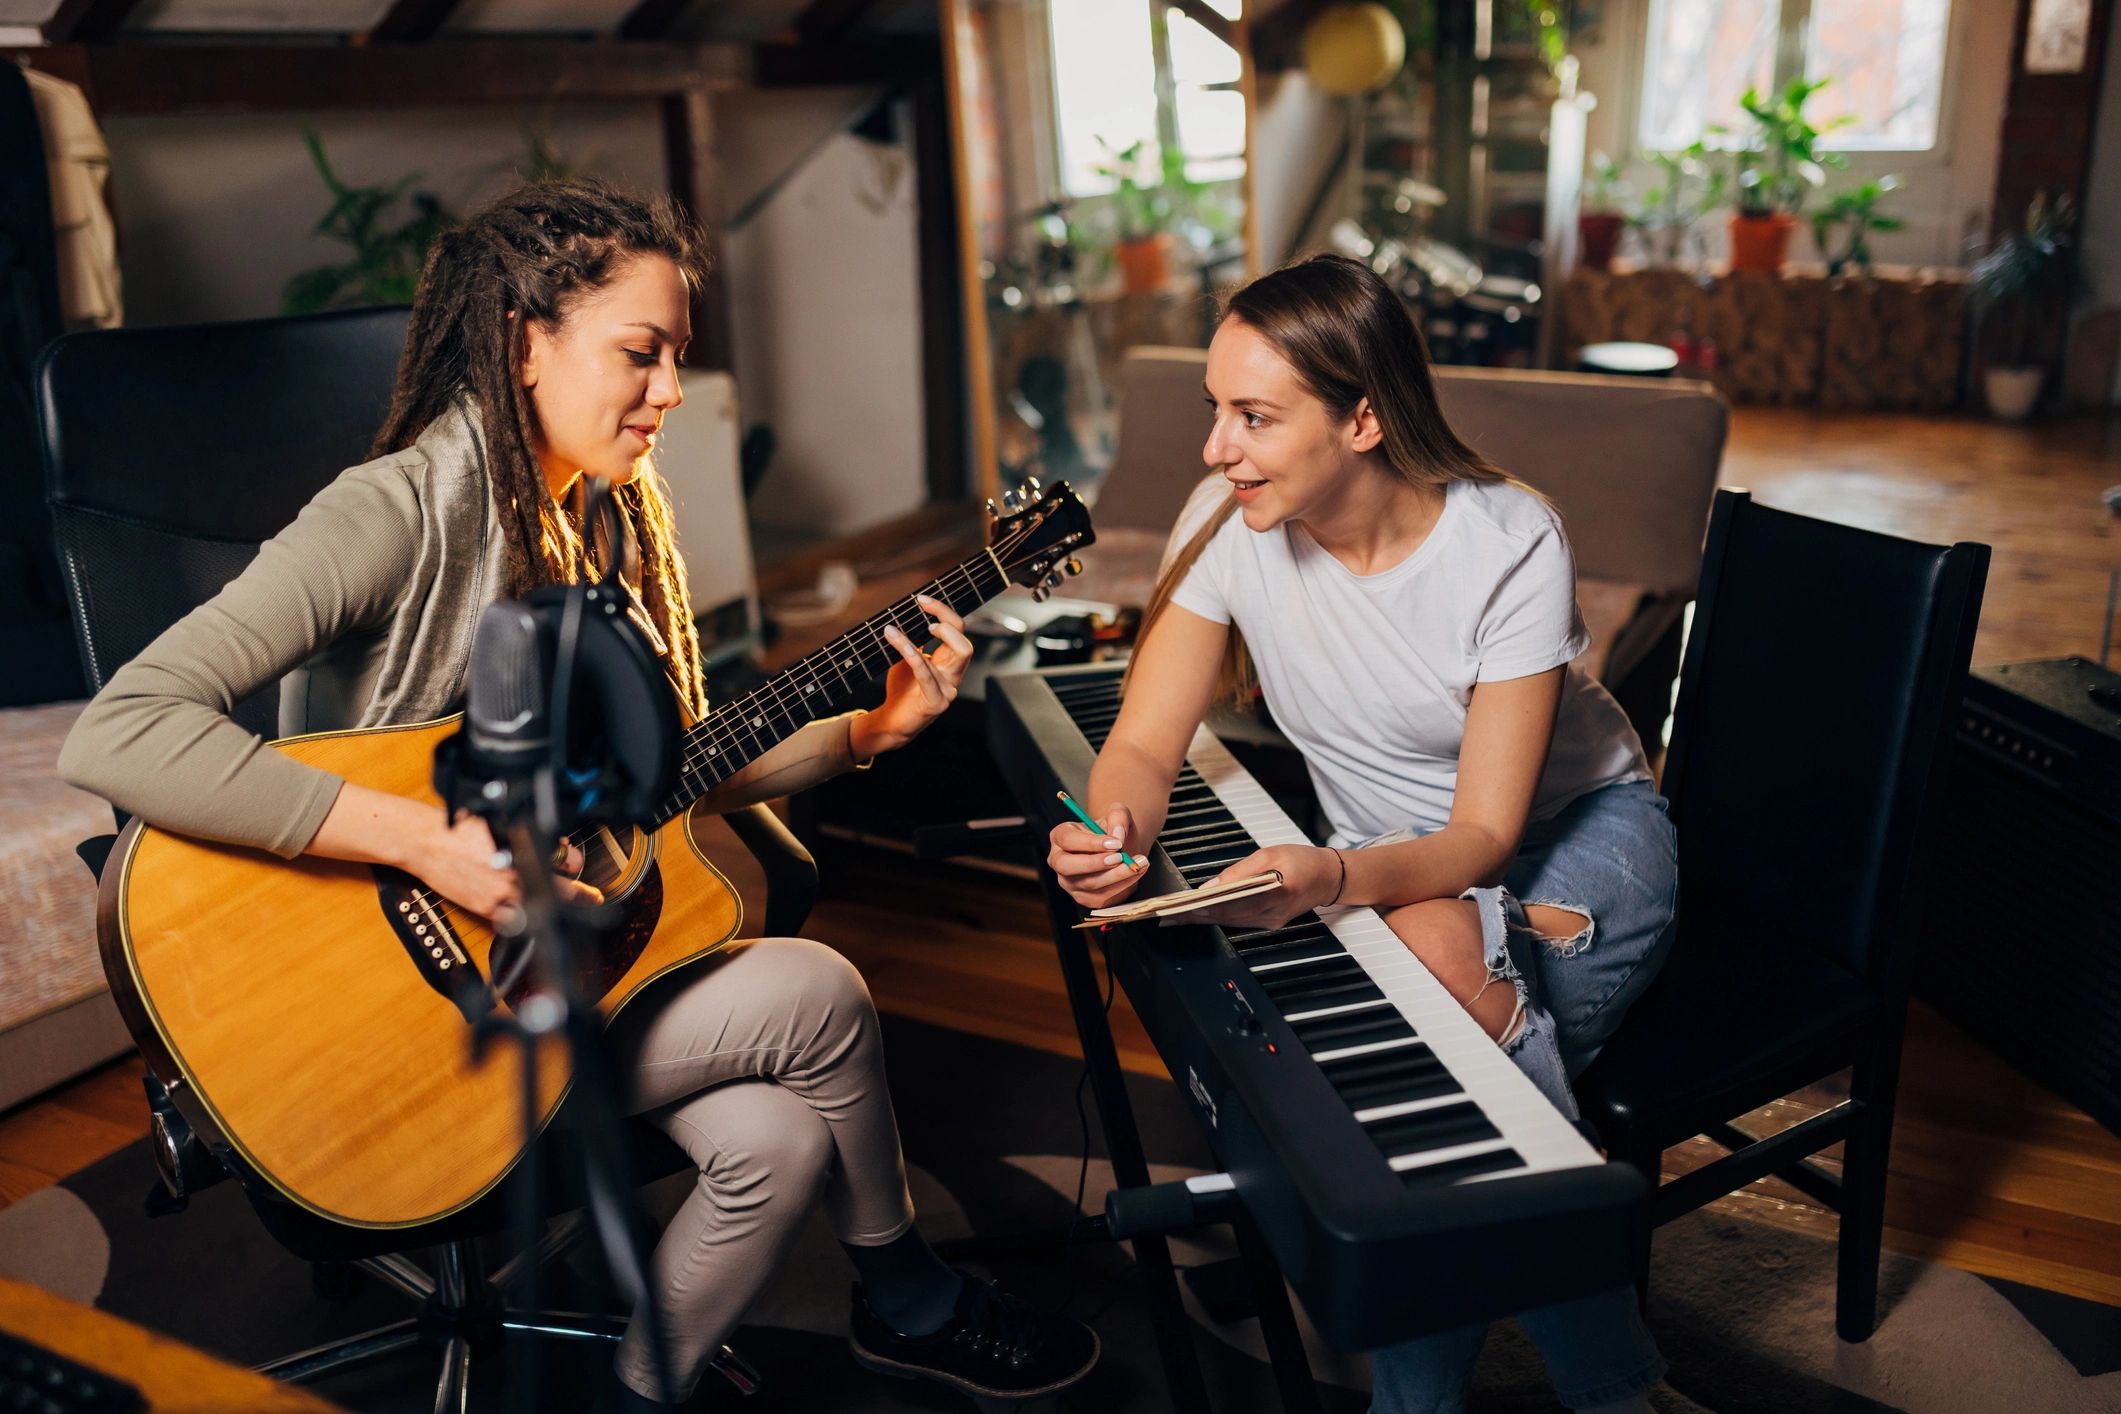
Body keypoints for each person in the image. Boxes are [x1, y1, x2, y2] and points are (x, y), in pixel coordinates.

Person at [59, 180, 1098, 1410]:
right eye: (641, 354)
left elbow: (653, 780)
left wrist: (862, 733)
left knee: (774, 1138)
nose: (668, 391)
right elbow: (119, 729)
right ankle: (904, 1293)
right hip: (385, 1005)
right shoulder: (392, 512)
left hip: (535, 970)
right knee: (819, 992)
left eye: (675, 359)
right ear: (522, 340)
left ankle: (639, 1390)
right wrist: (431, 841)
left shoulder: (608, 520)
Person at [1046, 253, 1676, 1414]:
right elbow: (1142, 740)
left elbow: (1486, 830)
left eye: (1255, 415)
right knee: (1423, 1020)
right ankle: (1607, 1383)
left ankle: (1490, 1393)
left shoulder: (1508, 540)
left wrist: (1332, 877)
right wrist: (1110, 825)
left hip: (1579, 836)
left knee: (1426, 996)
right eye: (1214, 410)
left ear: (1365, 417)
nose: (1214, 447)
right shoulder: (1228, 517)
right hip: (1390, 873)